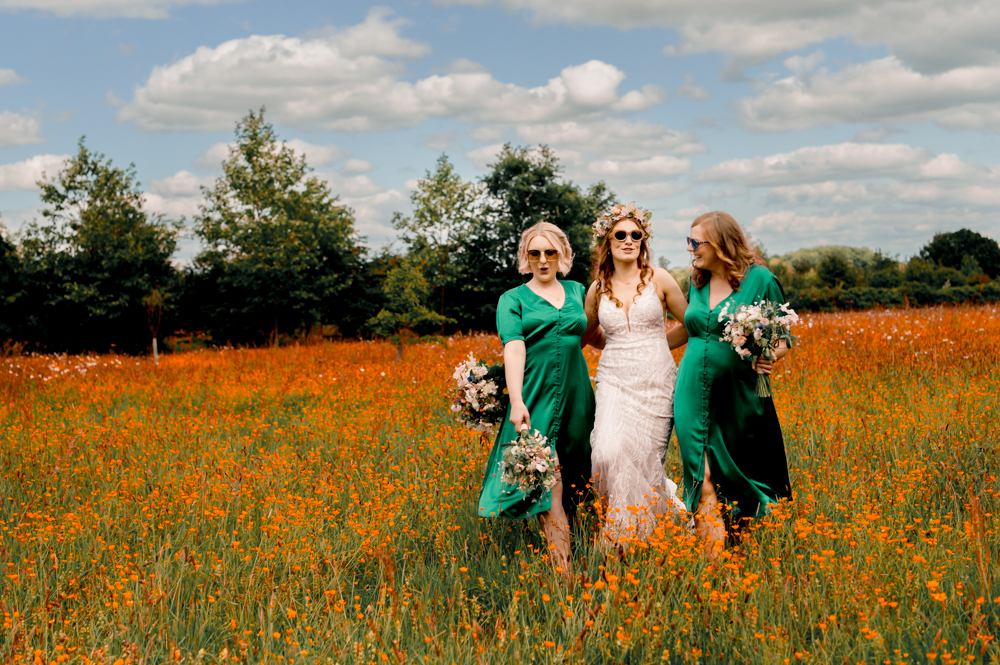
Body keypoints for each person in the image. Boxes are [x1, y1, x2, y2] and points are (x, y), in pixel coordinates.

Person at [477, 221, 595, 575]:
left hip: (577, 397)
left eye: (550, 252)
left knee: (578, 478)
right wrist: (516, 400)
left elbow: (597, 334)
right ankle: (565, 574)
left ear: (563, 255)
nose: (543, 260)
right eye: (535, 253)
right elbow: (514, 349)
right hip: (535, 395)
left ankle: (583, 548)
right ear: (525, 257)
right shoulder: (512, 299)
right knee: (550, 481)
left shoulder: (578, 291)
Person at [673, 211, 792, 559]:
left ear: (720, 243)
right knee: (703, 477)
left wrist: (769, 354)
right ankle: (715, 571)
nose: (690, 248)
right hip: (691, 391)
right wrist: (639, 347)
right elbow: (692, 328)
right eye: (689, 241)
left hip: (738, 394)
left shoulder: (761, 280)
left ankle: (742, 556)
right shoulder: (697, 281)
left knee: (739, 477)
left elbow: (783, 337)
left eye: (696, 242)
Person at [582, 202, 690, 544]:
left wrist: (656, 344)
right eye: (620, 235)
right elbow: (588, 334)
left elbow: (691, 323)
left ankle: (632, 539)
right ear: (608, 242)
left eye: (635, 235)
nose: (628, 240)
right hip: (614, 380)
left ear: (643, 240)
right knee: (606, 451)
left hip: (657, 382)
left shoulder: (660, 278)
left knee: (644, 459)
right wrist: (618, 344)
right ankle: (627, 530)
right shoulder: (598, 288)